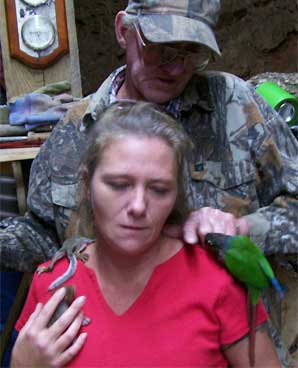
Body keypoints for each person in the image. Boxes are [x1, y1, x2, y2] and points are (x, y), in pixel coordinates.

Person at [0, 0, 297, 363]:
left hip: (244, 342)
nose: (173, 66)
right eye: (159, 46)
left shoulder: (237, 107)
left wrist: (243, 230)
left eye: (189, 52)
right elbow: (43, 234)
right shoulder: (76, 130)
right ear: (124, 31)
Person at [11, 102, 280, 367]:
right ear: (87, 184)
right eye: (118, 185)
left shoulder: (216, 280)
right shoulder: (54, 280)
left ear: (176, 196)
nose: (138, 206)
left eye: (159, 189)